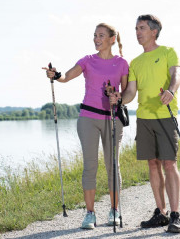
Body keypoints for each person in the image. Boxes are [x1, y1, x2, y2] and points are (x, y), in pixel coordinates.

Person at [43, 23, 129, 229]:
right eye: (94, 36)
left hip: (112, 118)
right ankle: (90, 214)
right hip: (88, 118)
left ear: (111, 39)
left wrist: (116, 97)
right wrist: (55, 75)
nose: (96, 39)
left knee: (112, 165)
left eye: (101, 35)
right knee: (90, 166)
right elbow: (67, 76)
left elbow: (126, 93)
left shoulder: (122, 63)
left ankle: (114, 210)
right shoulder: (87, 61)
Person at [109, 14, 180, 233]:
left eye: (141, 28)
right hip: (144, 118)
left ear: (154, 31)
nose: (137, 32)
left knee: (169, 164)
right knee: (152, 164)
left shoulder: (168, 52)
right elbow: (131, 91)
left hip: (165, 116)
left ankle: (175, 215)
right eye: (136, 28)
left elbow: (176, 74)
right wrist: (120, 98)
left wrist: (171, 90)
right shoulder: (136, 62)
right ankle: (161, 213)